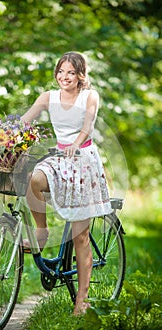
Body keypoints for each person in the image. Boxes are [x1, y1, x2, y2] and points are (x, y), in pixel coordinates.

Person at [21, 51, 112, 315]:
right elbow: (23, 121)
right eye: (61, 71)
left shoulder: (89, 96)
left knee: (80, 235)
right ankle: (42, 230)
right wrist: (1, 136)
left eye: (71, 72)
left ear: (80, 75)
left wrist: (75, 143)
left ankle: (82, 301)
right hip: (60, 157)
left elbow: (89, 123)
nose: (64, 77)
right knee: (33, 180)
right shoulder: (48, 97)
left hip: (83, 160)